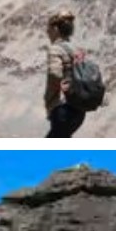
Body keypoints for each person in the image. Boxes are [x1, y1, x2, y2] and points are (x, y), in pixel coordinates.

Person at [44, 10, 86, 138]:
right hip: (79, 111)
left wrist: (52, 97)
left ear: (56, 29)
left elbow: (55, 74)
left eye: (49, 29)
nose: (47, 32)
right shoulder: (76, 50)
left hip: (62, 109)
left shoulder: (56, 49)